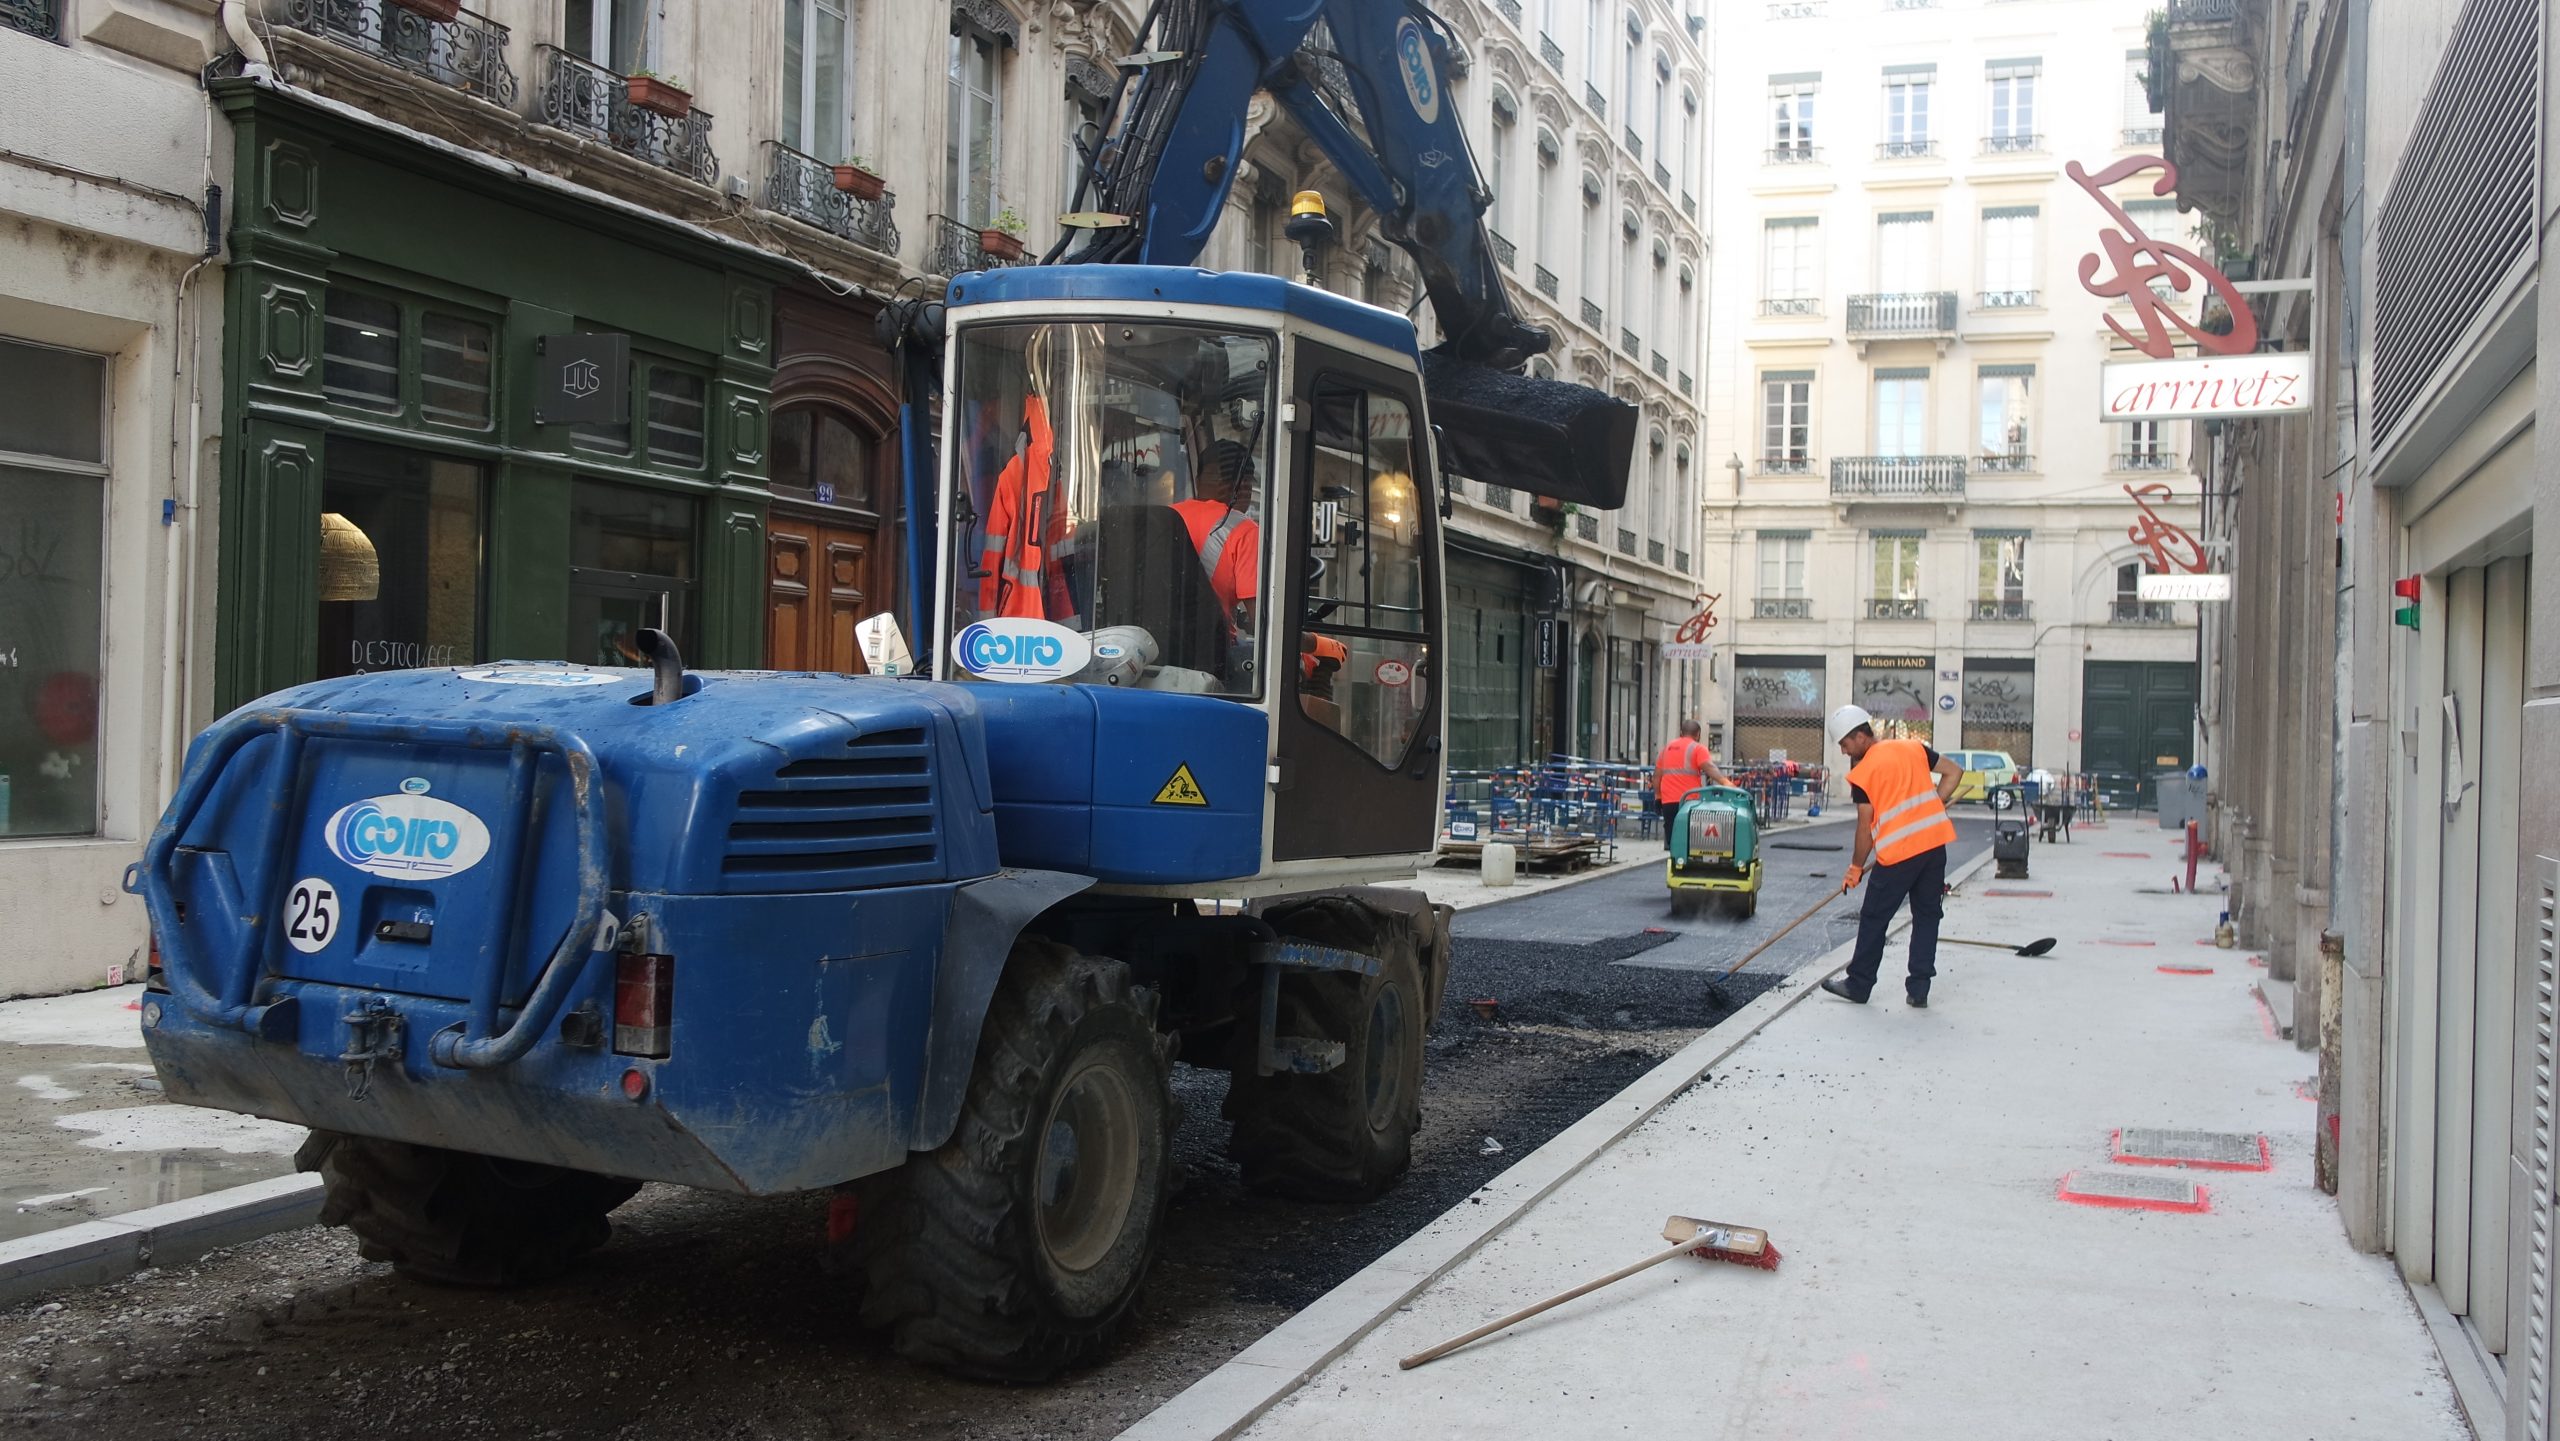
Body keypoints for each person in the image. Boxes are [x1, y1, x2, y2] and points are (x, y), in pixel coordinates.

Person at [1818, 704, 1963, 1008]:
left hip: (1898, 856)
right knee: (1927, 916)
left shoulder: (1864, 772)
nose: (1844, 752)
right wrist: (1935, 804)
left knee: (1874, 918)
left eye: (1845, 744)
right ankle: (1919, 989)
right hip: (1934, 848)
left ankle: (1859, 984)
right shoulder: (1913, 747)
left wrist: (1855, 868)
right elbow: (1954, 772)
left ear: (1860, 736)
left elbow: (1864, 829)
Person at [976, 391, 1078, 622]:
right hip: (1050, 615)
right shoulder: (1052, 476)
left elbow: (992, 558)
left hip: (1018, 616)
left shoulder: (1019, 473)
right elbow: (1065, 558)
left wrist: (986, 624)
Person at [1171, 438, 1261, 634]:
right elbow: (1263, 624)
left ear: (1198, 480)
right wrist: (1315, 644)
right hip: (1208, 650)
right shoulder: (1245, 530)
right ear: (1244, 486)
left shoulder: (1167, 515)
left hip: (1149, 644)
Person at [1654, 719, 1735, 850]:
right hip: (1689, 801)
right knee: (1692, 840)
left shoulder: (1666, 749)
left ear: (1681, 732)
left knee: (1673, 839)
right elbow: (1709, 767)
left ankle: (1676, 864)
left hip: (1668, 801)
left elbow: (1657, 776)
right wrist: (1725, 782)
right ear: (1698, 734)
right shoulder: (1697, 748)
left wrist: (1658, 797)